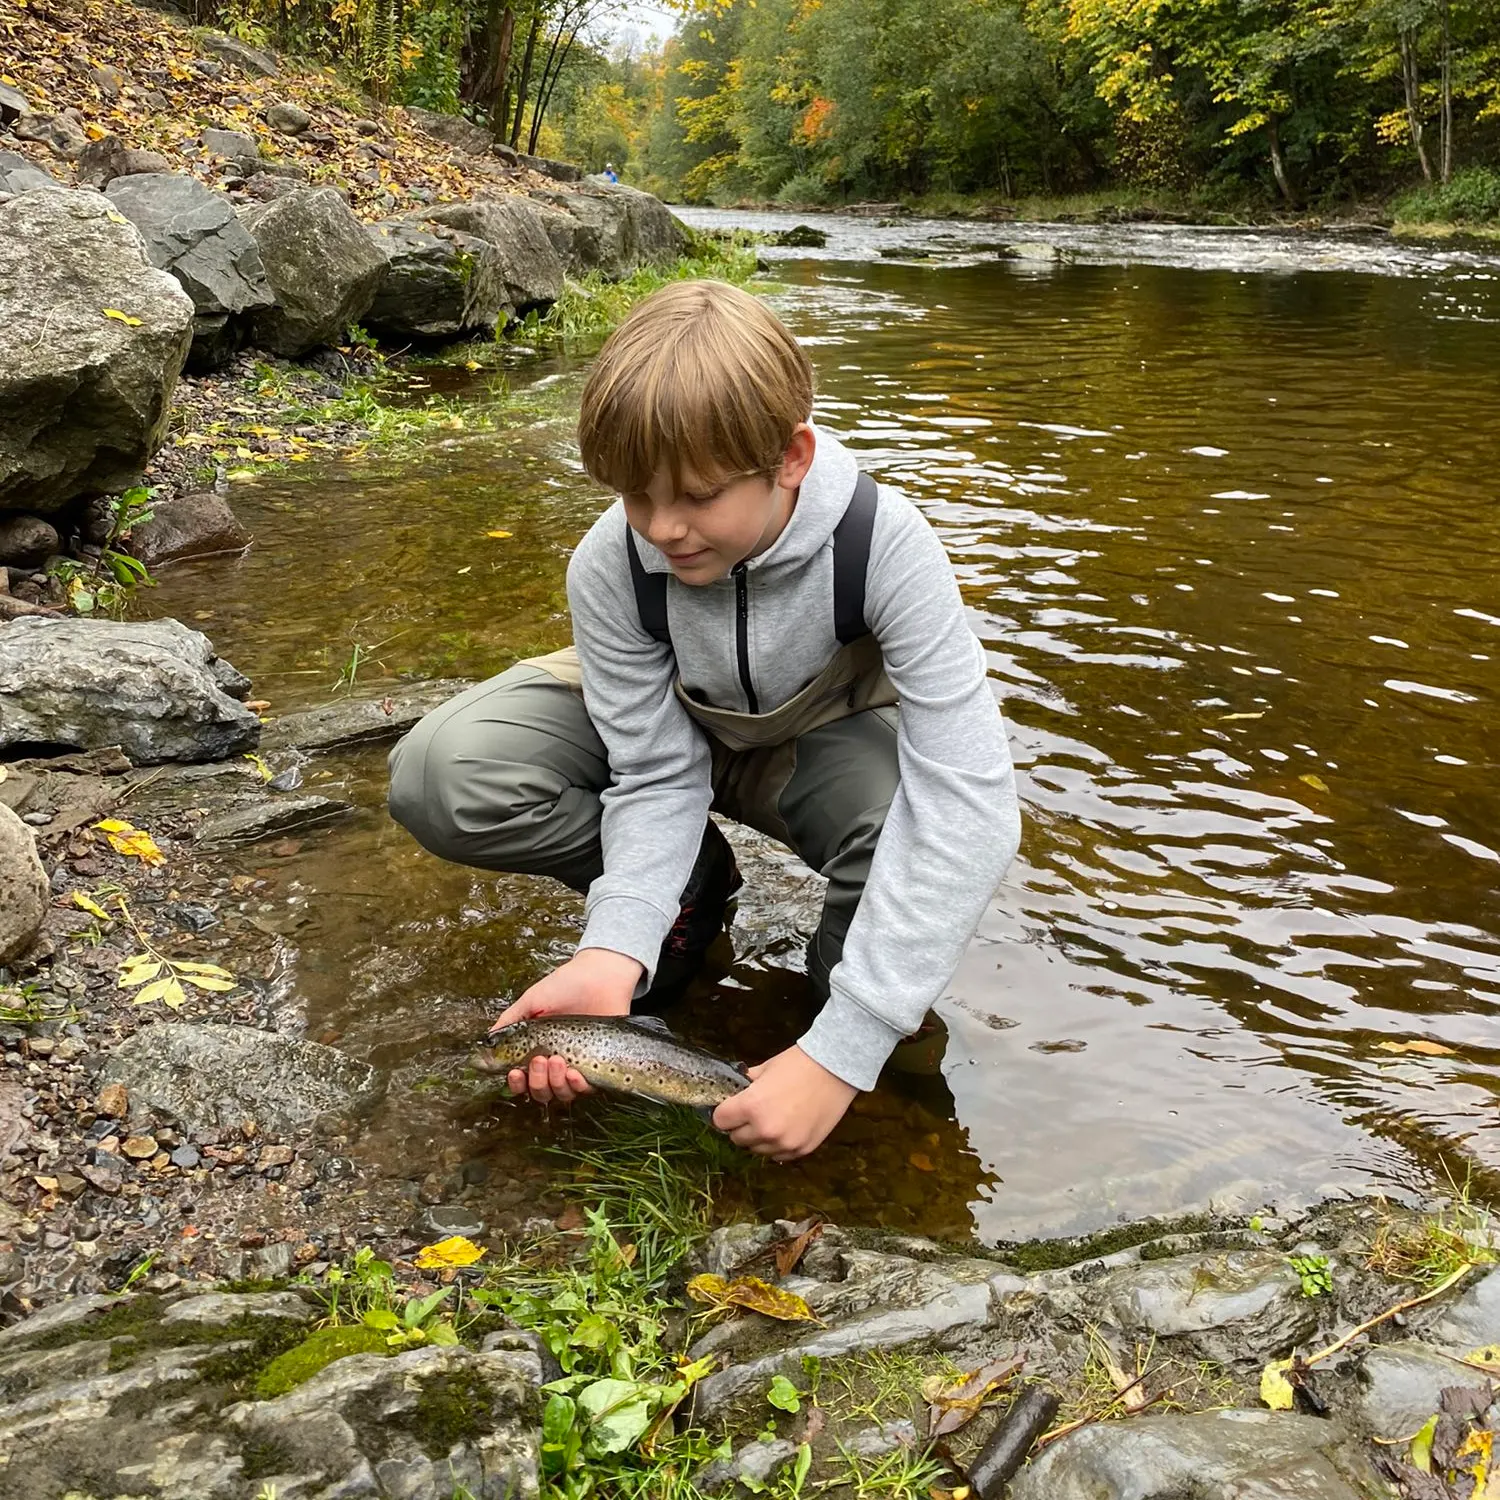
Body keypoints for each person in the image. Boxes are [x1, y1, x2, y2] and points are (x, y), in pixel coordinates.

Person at [387, 280, 1021, 1162]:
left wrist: (846, 1048)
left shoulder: (886, 546)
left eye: (697, 496)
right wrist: (614, 949)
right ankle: (685, 894)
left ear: (791, 458)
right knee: (442, 775)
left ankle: (846, 1030)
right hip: (673, 730)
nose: (663, 530)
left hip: (812, 739)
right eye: (636, 497)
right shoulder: (616, 560)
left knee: (901, 832)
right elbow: (652, 772)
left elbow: (973, 802)